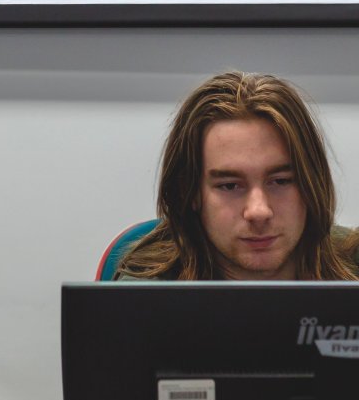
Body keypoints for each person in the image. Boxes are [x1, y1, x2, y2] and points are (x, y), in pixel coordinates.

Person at [116, 70, 359, 281]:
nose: (259, 211)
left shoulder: (354, 265)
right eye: (230, 186)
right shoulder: (143, 297)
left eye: (281, 181)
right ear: (189, 192)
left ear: (311, 182)